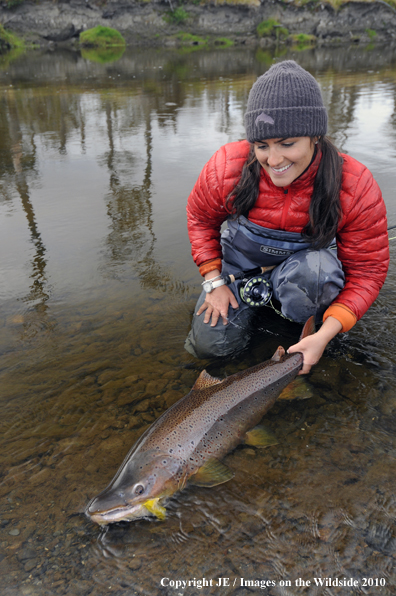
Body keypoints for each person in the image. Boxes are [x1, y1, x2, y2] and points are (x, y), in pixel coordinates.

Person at [185, 60, 389, 374]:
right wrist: (214, 282)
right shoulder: (226, 168)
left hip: (306, 273)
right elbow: (200, 219)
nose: (274, 159)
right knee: (209, 349)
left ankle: (306, 323)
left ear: (315, 136)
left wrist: (327, 332)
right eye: (262, 146)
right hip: (238, 274)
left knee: (317, 275)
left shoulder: (354, 185)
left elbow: (368, 271)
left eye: (288, 143)